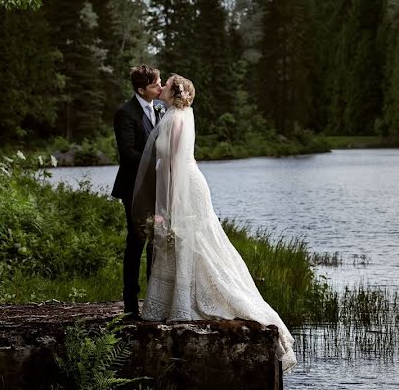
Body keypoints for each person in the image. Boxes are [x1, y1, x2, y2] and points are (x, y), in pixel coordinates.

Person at [131, 74, 297, 372]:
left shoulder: (175, 119)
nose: (162, 87)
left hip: (185, 188)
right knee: (187, 242)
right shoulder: (174, 114)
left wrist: (168, 208)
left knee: (196, 241)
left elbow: (176, 165)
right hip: (177, 185)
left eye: (166, 85)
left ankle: (192, 301)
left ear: (174, 92)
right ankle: (172, 301)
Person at [111, 64, 165, 318]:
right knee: (136, 241)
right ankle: (131, 304)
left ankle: (153, 302)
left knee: (158, 242)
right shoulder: (125, 113)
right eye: (156, 85)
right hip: (134, 188)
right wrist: (157, 162)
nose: (161, 88)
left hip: (158, 187)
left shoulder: (160, 108)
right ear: (141, 89)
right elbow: (128, 152)